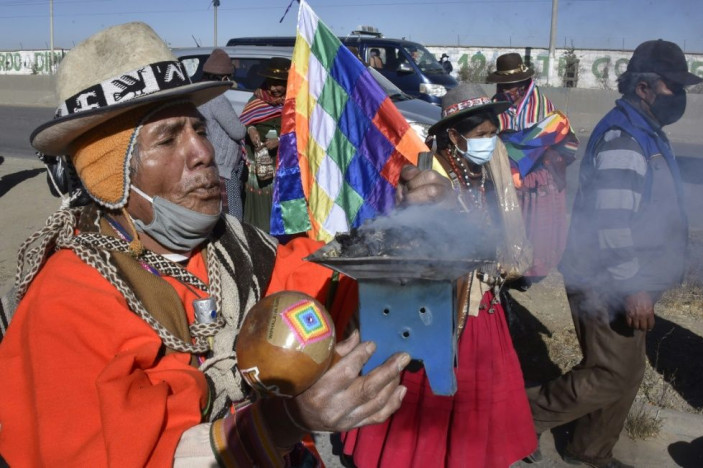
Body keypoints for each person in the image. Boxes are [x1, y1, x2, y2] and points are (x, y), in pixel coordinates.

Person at [0, 22, 453, 467]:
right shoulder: (67, 301)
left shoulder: (241, 247)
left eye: (198, 129)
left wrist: (401, 225)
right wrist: (283, 423)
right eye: (169, 138)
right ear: (110, 176)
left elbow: (326, 290)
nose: (203, 152)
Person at [526, 40, 703, 468]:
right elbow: (611, 222)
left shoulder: (643, 130)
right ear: (644, 87)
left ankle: (589, 452)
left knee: (625, 373)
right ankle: (519, 416)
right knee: (610, 374)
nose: (679, 96)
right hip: (607, 278)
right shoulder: (624, 137)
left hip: (624, 276)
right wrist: (634, 286)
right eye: (672, 86)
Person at [340, 84, 537, 468]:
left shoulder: (483, 169)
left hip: (482, 304)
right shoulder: (428, 176)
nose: (490, 142)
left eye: (493, 133)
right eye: (482, 135)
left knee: (477, 405)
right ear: (453, 135)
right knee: (425, 403)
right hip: (438, 308)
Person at [488, 52, 579, 287]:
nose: (509, 91)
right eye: (504, 85)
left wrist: (544, 157)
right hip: (508, 181)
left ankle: (530, 273)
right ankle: (509, 268)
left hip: (537, 182)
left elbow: (569, 145)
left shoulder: (548, 113)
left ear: (525, 84)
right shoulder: (494, 109)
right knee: (506, 229)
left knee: (537, 232)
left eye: (514, 86)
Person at [240, 57, 289, 232]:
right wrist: (251, 129)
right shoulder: (257, 97)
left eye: (279, 84)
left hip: (282, 160)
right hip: (258, 157)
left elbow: (302, 132)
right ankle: (257, 231)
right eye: (271, 83)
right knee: (258, 197)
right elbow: (246, 121)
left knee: (277, 197)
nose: (273, 88)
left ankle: (277, 234)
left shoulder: (294, 102)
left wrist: (281, 141)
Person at [198, 48, 247, 221]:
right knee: (233, 218)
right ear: (224, 78)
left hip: (207, 164)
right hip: (223, 169)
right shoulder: (217, 99)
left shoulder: (198, 95)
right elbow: (238, 131)